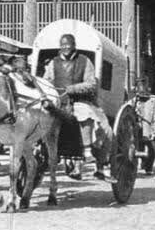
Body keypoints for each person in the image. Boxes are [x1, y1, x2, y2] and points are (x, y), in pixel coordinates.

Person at [43, 34, 112, 182]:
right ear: (60, 46)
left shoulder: (84, 61)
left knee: (101, 126)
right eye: (63, 45)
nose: (66, 47)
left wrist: (72, 89)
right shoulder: (53, 63)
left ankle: (94, 156)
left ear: (74, 45)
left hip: (81, 100)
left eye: (69, 44)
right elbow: (46, 81)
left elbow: (91, 83)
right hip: (59, 102)